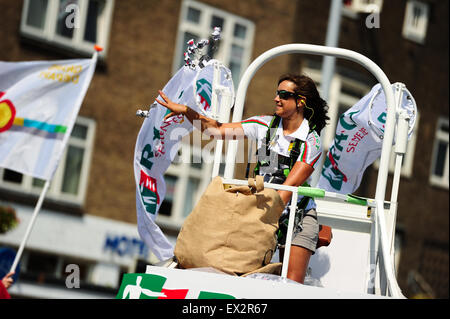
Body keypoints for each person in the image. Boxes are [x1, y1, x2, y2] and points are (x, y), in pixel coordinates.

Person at [156, 73, 329, 284]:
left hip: (297, 216)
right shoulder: (264, 125)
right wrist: (186, 112)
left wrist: (255, 222)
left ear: (300, 102)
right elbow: (217, 130)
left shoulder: (311, 140)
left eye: (283, 94)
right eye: (277, 93)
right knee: (242, 275)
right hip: (262, 210)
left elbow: (289, 186)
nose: (276, 98)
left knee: (291, 284)